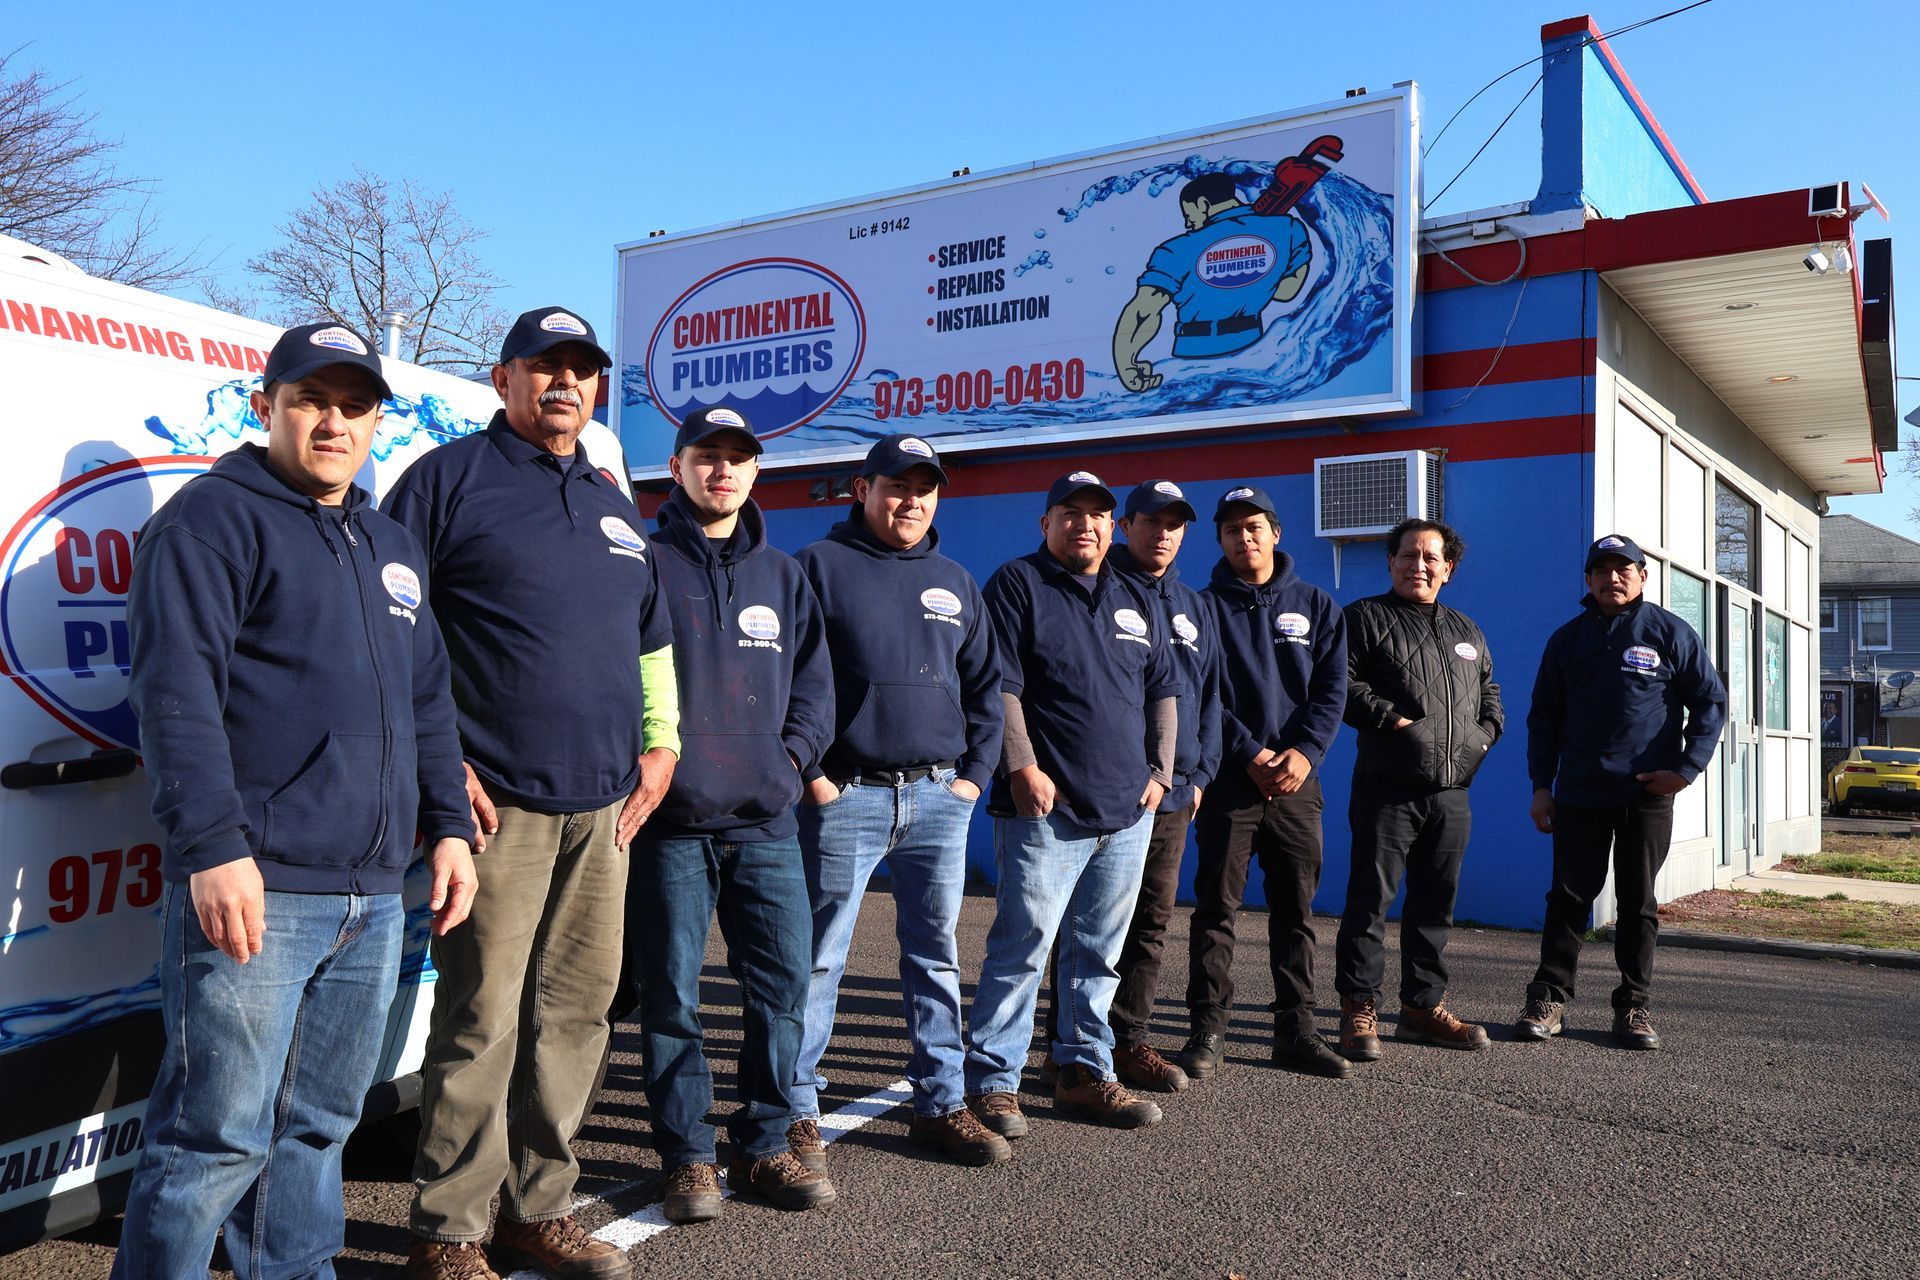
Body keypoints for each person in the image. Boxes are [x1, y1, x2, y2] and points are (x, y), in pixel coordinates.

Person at [115, 323, 477, 1279]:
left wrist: (445, 825)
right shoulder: (209, 522)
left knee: (317, 1130)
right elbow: (174, 697)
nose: (333, 421)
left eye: (354, 405)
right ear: (263, 404)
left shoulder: (391, 542)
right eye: (311, 398)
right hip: (261, 888)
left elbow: (427, 699)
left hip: (371, 894)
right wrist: (213, 849)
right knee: (214, 1140)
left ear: (375, 422)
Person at [385, 308, 679, 1280]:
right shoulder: (445, 481)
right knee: (483, 1019)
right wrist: (444, 763)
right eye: (544, 367)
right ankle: (449, 1230)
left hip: (602, 812)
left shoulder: (609, 498)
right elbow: (388, 634)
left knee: (578, 1015)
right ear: (504, 379)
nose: (565, 383)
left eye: (581, 370)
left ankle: (536, 1207)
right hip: (495, 806)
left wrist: (659, 745)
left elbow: (647, 637)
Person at [630, 405, 837, 1224]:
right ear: (677, 469)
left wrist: (790, 760)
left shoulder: (784, 577)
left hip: (766, 822)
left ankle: (763, 1141)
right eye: (705, 457)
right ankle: (686, 1156)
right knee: (672, 994)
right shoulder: (642, 564)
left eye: (737, 459)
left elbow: (818, 684)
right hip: (672, 825)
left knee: (781, 987)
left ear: (756, 474)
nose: (722, 471)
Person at [786, 435, 1010, 1171]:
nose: (910, 500)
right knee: (818, 959)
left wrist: (973, 776)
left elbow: (987, 687)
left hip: (938, 798)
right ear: (863, 488)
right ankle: (795, 1109)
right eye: (896, 486)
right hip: (843, 795)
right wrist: (814, 773)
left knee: (935, 958)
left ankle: (940, 1103)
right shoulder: (817, 568)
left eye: (925, 488)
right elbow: (784, 677)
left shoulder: (954, 580)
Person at [964, 470, 1177, 1137]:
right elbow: (1000, 685)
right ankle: (994, 1082)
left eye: (1098, 515)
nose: (1085, 524)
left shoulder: (1134, 595)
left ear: (1113, 527)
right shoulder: (1017, 584)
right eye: (1070, 513)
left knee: (1098, 953)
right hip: (1045, 812)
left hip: (1126, 812)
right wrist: (1021, 763)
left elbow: (1163, 689)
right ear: (1045, 523)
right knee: (1024, 944)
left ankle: (1085, 1071)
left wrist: (1161, 775)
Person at [1043, 479, 1219, 1093]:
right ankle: (1065, 1047)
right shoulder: (1104, 589)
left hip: (1169, 794)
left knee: (1149, 923)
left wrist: (1196, 776)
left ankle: (1128, 1039)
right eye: (1151, 520)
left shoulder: (1195, 605)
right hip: (1104, 789)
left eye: (1175, 523)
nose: (1163, 533)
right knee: (1082, 925)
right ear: (1127, 526)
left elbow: (1208, 697)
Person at [1519, 534, 1727, 1051]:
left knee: (1638, 902)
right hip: (1580, 792)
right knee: (1568, 898)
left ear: (1642, 576)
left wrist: (1685, 769)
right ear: (1587, 579)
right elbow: (1544, 719)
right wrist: (1542, 787)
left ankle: (1633, 1006)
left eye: (1624, 569)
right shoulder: (1566, 640)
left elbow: (1709, 703)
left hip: (1646, 794)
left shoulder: (1671, 633)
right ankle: (1548, 998)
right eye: (1602, 569)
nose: (1613, 578)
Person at [1184, 485, 1350, 1081]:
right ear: (1221, 540)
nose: (1243, 537)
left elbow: (1331, 692)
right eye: (1231, 529)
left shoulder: (1317, 605)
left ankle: (1297, 1031)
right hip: (1231, 781)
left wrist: (1304, 753)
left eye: (1254, 526)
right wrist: (1250, 752)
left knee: (1295, 911)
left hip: (1297, 785)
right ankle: (1207, 1030)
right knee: (1216, 910)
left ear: (1276, 533)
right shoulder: (1200, 607)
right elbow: (1203, 693)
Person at [1334, 518, 1503, 1062]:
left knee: (1435, 904)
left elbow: (1490, 694)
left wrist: (1486, 735)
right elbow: (1342, 684)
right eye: (1408, 556)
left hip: (1453, 792)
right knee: (1369, 902)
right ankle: (1359, 1007)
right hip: (1388, 787)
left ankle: (1421, 1008)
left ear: (1448, 569)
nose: (1419, 566)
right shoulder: (1364, 617)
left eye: (1432, 558)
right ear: (1391, 562)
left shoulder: (1467, 631)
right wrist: (1399, 725)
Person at [1111, 172, 1313, 392]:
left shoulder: (1177, 249)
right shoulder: (1289, 229)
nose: (1188, 223)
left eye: (1189, 214)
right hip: (1256, 355)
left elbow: (1145, 309)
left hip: (1193, 360)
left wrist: (1127, 364)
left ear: (1203, 204)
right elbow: (1286, 292)